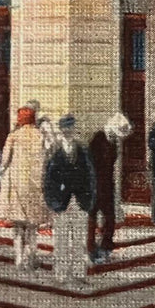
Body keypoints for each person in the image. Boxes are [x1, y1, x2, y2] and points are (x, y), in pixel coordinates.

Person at [44, 115, 96, 283]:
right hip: (61, 202)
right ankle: (61, 274)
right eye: (65, 128)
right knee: (61, 240)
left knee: (80, 240)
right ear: (61, 130)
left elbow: (90, 175)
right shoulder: (55, 150)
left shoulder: (82, 149)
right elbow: (48, 179)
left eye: (71, 127)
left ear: (74, 129)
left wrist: (89, 198)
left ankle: (79, 273)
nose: (68, 130)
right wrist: (52, 202)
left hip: (80, 200)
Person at [0, 106, 50, 269]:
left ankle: (19, 259)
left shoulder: (13, 136)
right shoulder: (40, 135)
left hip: (17, 184)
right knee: (32, 226)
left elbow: (4, 160)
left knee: (18, 226)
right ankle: (31, 258)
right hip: (35, 184)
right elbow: (46, 159)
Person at [88, 111, 131, 264]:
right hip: (95, 184)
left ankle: (106, 245)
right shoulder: (98, 139)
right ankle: (91, 247)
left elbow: (111, 164)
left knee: (110, 216)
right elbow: (91, 163)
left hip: (107, 184)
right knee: (92, 216)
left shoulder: (113, 142)